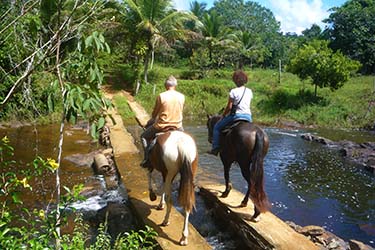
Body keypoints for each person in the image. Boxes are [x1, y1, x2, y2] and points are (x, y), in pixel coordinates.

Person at [140, 75, 185, 167]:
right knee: (185, 140)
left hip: (162, 125)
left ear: (166, 85)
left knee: (143, 137)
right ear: (175, 85)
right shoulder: (182, 96)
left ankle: (147, 159)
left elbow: (154, 114)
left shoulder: (161, 96)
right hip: (178, 126)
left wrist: (152, 119)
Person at [208, 70, 253, 156]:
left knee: (217, 127)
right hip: (248, 117)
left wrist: (223, 115)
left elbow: (229, 107)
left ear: (236, 80)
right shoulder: (249, 91)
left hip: (236, 116)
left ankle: (215, 148)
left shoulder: (234, 91)